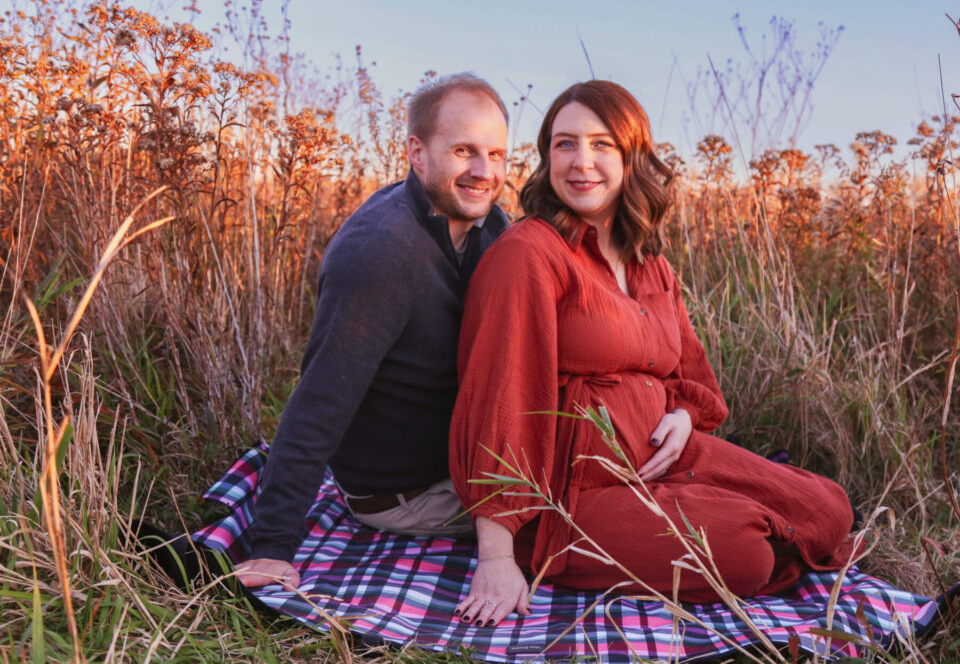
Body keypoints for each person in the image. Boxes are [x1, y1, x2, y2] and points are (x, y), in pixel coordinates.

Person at [450, 80, 856, 627]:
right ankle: (732, 533)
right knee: (744, 554)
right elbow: (503, 398)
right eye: (565, 143)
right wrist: (496, 556)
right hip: (575, 491)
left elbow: (692, 372)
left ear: (632, 156)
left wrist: (687, 417)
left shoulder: (648, 261)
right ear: (546, 157)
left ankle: (743, 521)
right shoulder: (528, 254)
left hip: (666, 456)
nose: (581, 162)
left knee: (829, 509)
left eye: (602, 145)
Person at [236, 74, 510, 589]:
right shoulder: (380, 254)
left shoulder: (490, 226)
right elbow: (318, 403)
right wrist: (272, 546)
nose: (483, 171)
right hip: (412, 490)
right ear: (417, 152)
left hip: (466, 453)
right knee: (582, 517)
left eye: (496, 155)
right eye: (464, 150)